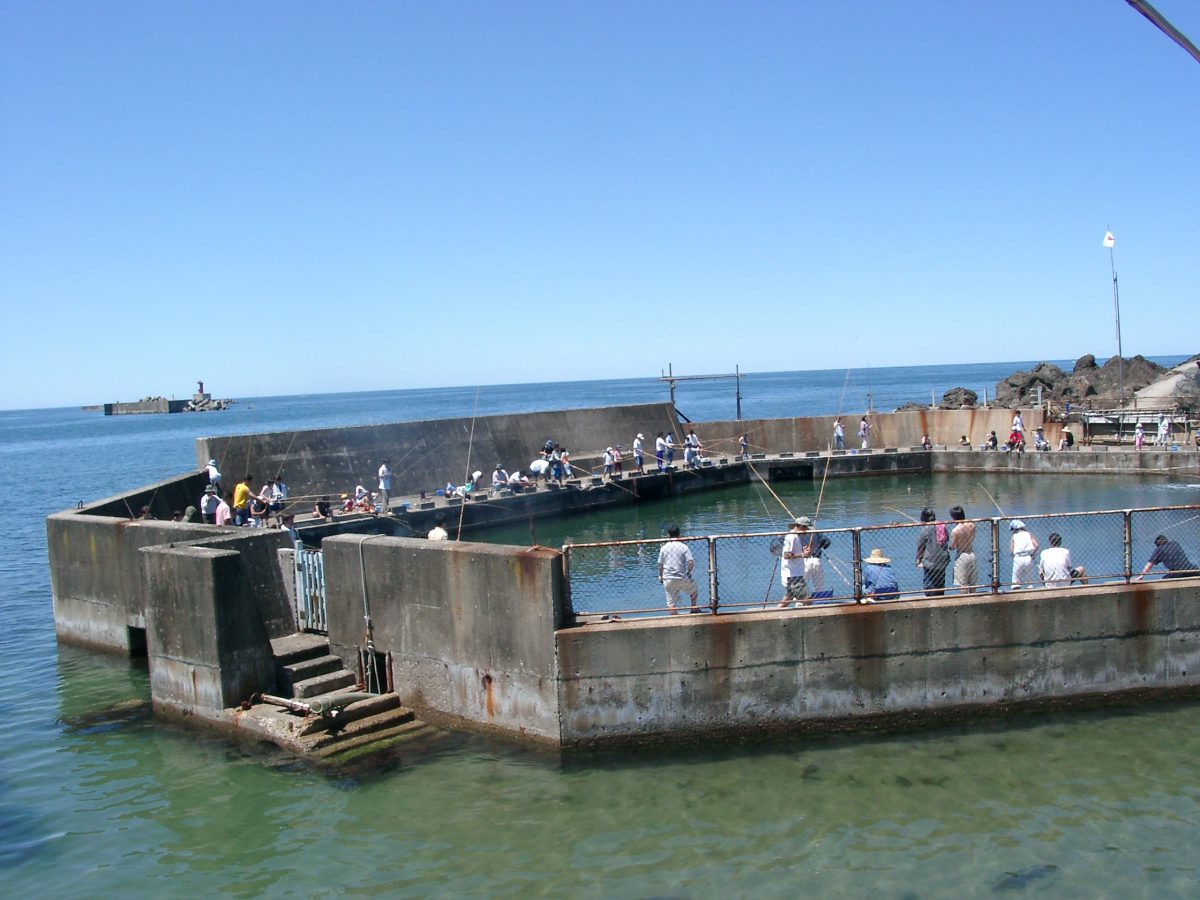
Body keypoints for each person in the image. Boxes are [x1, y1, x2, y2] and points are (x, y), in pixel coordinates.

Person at [657, 525, 699, 614]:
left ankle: (674, 616)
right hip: (682, 577)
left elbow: (660, 565)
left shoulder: (664, 548)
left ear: (668, 535)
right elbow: (690, 562)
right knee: (694, 590)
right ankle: (694, 609)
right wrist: (688, 572)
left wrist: (661, 577)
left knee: (671, 601)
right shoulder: (683, 547)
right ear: (679, 534)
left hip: (668, 578)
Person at [915, 507, 950, 597]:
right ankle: (940, 597)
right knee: (940, 581)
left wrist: (918, 559)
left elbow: (920, 546)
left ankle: (931, 598)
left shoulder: (925, 529)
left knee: (929, 582)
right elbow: (947, 539)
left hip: (930, 562)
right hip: (943, 560)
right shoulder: (942, 526)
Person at [777, 518, 812, 608]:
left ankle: (775, 612)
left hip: (794, 573)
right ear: (801, 526)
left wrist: (802, 551)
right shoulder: (792, 537)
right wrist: (803, 554)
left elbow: (792, 552)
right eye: (806, 528)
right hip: (793, 575)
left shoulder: (794, 536)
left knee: (788, 598)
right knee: (808, 599)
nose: (807, 531)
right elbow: (787, 555)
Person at [949, 505, 978, 594]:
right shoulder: (972, 525)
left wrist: (949, 546)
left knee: (963, 583)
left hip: (962, 555)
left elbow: (953, 546)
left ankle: (965, 600)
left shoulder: (955, 531)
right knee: (972, 582)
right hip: (971, 553)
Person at [1009, 520, 1039, 590]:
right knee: (1029, 579)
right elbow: (1037, 545)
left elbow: (1011, 550)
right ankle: (1029, 591)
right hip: (1028, 558)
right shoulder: (1029, 534)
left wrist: (1013, 556)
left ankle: (1016, 592)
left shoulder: (1014, 536)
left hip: (1018, 558)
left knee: (1016, 580)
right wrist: (1033, 555)